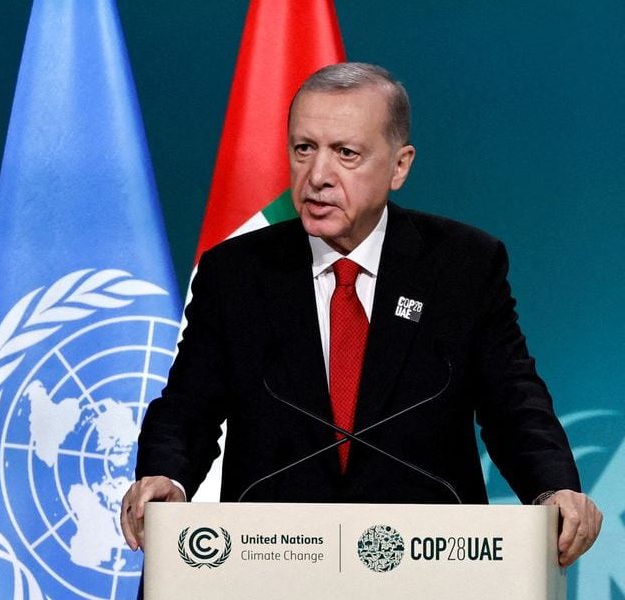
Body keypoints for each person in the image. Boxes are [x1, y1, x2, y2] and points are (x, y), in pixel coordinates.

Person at [121, 63, 601, 567]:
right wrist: (166, 476)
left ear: (400, 166)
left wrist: (553, 489)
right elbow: (188, 407)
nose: (318, 176)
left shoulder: (464, 265)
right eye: (304, 148)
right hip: (272, 564)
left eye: (346, 153)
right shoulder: (234, 273)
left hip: (428, 567)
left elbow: (513, 401)